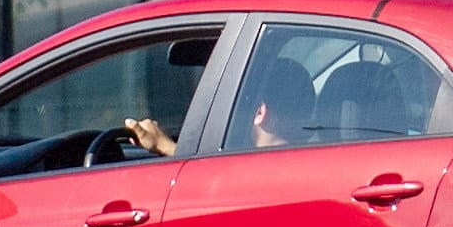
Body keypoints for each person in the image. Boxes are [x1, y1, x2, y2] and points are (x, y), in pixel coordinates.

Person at [124, 56, 316, 158]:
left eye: (241, 100)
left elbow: (210, 183)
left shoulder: (259, 169)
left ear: (259, 112)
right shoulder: (310, 161)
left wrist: (163, 145)